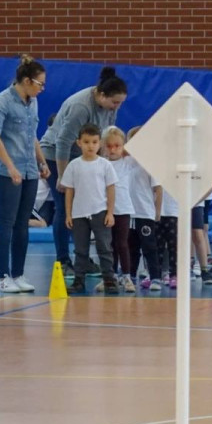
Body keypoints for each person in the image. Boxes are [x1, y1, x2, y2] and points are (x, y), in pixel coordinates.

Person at [39, 66, 127, 278]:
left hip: (83, 154)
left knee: (86, 206)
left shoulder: (110, 106)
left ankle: (82, 258)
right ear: (102, 95)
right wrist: (62, 176)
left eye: (120, 103)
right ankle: (63, 260)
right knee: (65, 207)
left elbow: (105, 135)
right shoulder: (81, 106)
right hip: (56, 155)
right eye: (115, 102)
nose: (117, 107)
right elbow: (62, 142)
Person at [0, 54, 51, 293]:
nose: (42, 89)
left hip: (29, 171)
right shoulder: (2, 101)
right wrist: (11, 166)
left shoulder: (32, 102)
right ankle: (3, 277)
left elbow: (32, 134)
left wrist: (42, 162)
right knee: (6, 222)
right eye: (39, 84)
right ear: (26, 80)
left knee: (22, 223)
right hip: (7, 173)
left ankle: (18, 274)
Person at [60, 124, 118, 294]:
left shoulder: (105, 165)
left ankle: (109, 280)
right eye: (86, 142)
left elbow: (111, 189)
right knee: (80, 249)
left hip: (100, 212)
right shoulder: (73, 165)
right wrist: (69, 214)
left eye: (94, 142)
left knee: (104, 247)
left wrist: (110, 212)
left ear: (99, 143)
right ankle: (79, 281)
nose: (90, 146)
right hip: (79, 214)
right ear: (79, 143)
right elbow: (69, 191)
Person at [123, 126, 163, 292]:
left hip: (145, 213)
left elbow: (158, 189)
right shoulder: (125, 162)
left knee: (149, 247)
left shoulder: (150, 164)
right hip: (128, 213)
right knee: (131, 246)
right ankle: (131, 275)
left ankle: (155, 277)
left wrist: (157, 212)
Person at [101, 127, 137, 293]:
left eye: (117, 146)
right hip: (105, 209)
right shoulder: (101, 163)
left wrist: (127, 147)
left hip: (123, 209)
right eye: (109, 146)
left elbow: (140, 151)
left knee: (122, 243)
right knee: (108, 245)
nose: (113, 149)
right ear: (103, 146)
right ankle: (110, 276)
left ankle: (127, 276)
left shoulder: (127, 162)